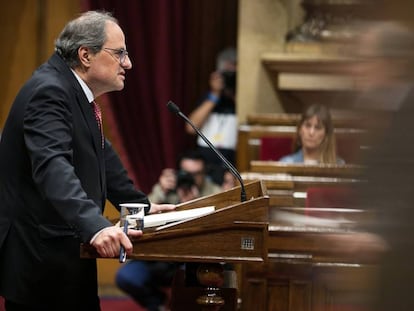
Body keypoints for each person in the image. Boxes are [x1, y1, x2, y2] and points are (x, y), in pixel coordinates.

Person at [0, 11, 175, 311]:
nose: (128, 63)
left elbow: (101, 156)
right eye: (119, 53)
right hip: (40, 261)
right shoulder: (49, 91)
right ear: (85, 55)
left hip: (64, 253)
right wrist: (94, 226)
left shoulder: (73, 91)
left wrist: (140, 206)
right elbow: (53, 167)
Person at [115, 149, 222, 310]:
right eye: (186, 173)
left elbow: (217, 228)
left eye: (197, 174)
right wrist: (161, 190)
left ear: (204, 173)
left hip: (193, 260)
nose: (191, 178)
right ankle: (158, 304)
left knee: (192, 283)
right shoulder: (168, 189)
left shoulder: (214, 192)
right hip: (159, 257)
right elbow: (140, 216)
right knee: (126, 277)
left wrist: (193, 205)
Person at [185, 48, 238, 185]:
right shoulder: (209, 99)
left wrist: (235, 93)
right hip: (206, 169)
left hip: (232, 169)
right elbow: (191, 128)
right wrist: (215, 94)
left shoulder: (240, 101)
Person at [279, 104, 345, 164]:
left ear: (326, 134)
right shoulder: (285, 163)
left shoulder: (339, 165)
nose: (311, 132)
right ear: (300, 130)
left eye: (318, 128)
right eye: (307, 126)